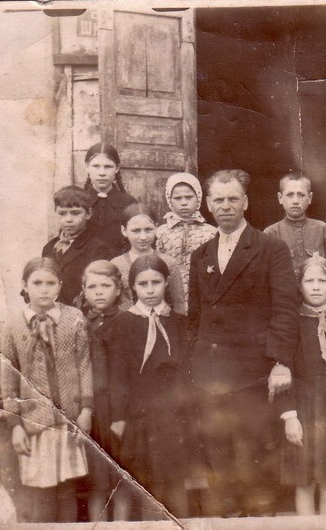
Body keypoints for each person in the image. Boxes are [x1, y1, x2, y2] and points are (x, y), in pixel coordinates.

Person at [187, 169, 299, 517]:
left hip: (254, 372)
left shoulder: (270, 248)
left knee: (255, 454)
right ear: (208, 205)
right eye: (219, 200)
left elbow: (285, 308)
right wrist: (194, 366)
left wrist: (281, 362)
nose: (226, 206)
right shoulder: (201, 254)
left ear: (246, 202)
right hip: (211, 375)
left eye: (233, 199)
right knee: (218, 457)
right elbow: (195, 316)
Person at [0, 257, 93, 523]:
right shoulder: (13, 325)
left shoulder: (74, 319)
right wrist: (16, 425)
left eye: (50, 283)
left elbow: (85, 366)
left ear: (60, 286)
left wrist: (86, 411)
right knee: (41, 495)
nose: (44, 289)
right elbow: (8, 379)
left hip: (68, 422)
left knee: (68, 491)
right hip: (34, 425)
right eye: (37, 283)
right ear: (24, 285)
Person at [102, 255, 192, 518]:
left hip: (173, 412)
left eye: (156, 282)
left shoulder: (179, 323)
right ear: (133, 286)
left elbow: (186, 372)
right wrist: (119, 415)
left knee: (175, 480)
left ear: (166, 282)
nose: (150, 290)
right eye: (143, 284)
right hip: (138, 413)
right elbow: (118, 373)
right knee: (145, 481)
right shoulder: (122, 324)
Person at [278, 256, 326, 515]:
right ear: (300, 285)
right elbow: (282, 371)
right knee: (304, 480)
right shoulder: (290, 322)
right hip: (303, 407)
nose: (316, 286)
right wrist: (290, 416)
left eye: (323, 281)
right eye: (309, 281)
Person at [79, 260, 130, 521]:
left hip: (119, 410)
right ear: (84, 290)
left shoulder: (128, 322)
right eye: (92, 287)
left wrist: (122, 414)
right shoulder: (80, 324)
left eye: (106, 286)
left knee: (121, 480)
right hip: (92, 411)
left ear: (118, 289)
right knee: (97, 482)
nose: (99, 292)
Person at [156, 172, 217, 312]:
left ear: (198, 198)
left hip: (203, 298)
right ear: (169, 200)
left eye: (189, 197)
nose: (183, 202)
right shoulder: (160, 233)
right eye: (177, 198)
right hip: (169, 299)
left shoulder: (211, 233)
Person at [42, 186, 114, 306]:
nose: (68, 219)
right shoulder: (49, 248)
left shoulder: (97, 248)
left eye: (75, 213)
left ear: (88, 213)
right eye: (62, 213)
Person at [111, 203, 186, 314]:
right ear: (124, 230)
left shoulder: (169, 263)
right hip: (127, 323)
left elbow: (179, 304)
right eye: (136, 231)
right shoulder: (116, 265)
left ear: (156, 228)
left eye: (148, 230)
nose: (143, 237)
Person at [264, 173, 326, 275]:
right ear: (280, 198)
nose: (295, 201)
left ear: (310, 198)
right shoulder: (270, 233)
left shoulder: (322, 229)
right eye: (290, 195)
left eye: (301, 195)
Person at [83, 143, 137, 254]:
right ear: (87, 167)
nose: (102, 173)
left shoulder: (129, 204)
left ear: (117, 168)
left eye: (108, 167)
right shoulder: (78, 203)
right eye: (96, 166)